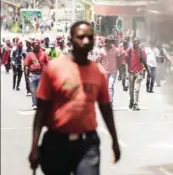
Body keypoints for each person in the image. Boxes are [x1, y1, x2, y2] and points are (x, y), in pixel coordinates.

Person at [28, 21, 121, 175]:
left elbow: (106, 108)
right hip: (56, 143)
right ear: (71, 39)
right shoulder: (54, 68)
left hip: (87, 144)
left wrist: (115, 141)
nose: (86, 41)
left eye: (90, 37)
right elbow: (41, 110)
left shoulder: (99, 72)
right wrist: (34, 147)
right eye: (81, 37)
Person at [125, 37, 150, 110]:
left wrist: (148, 71)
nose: (136, 43)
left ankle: (135, 104)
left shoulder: (141, 50)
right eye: (135, 41)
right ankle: (131, 100)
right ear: (132, 42)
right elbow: (126, 60)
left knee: (136, 89)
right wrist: (128, 69)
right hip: (131, 72)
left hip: (138, 72)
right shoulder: (129, 50)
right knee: (131, 89)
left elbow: (144, 61)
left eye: (137, 42)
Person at [24, 40, 49, 109]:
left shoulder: (44, 54)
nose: (37, 46)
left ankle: (41, 104)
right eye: (36, 45)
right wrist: (26, 74)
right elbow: (26, 65)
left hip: (42, 75)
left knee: (41, 90)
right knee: (33, 90)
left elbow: (48, 64)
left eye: (38, 45)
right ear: (33, 46)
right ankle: (35, 104)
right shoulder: (29, 55)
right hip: (32, 75)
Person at [97, 37, 121, 107]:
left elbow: (118, 58)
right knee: (104, 88)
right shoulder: (101, 51)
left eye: (110, 42)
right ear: (105, 42)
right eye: (107, 42)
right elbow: (98, 61)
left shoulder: (115, 50)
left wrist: (119, 69)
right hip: (104, 72)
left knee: (110, 86)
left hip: (113, 71)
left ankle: (110, 102)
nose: (108, 43)